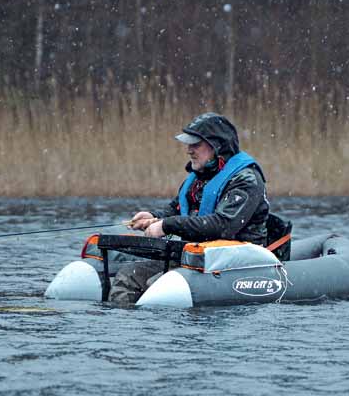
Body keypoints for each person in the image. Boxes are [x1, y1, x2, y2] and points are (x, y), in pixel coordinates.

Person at [108, 112, 269, 303]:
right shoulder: (199, 177)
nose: (189, 150)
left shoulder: (246, 180)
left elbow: (222, 226)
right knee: (129, 276)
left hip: (236, 263)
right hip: (198, 257)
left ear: (217, 147)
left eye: (196, 144)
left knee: (157, 284)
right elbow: (176, 210)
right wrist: (153, 216)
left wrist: (166, 225)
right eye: (188, 144)